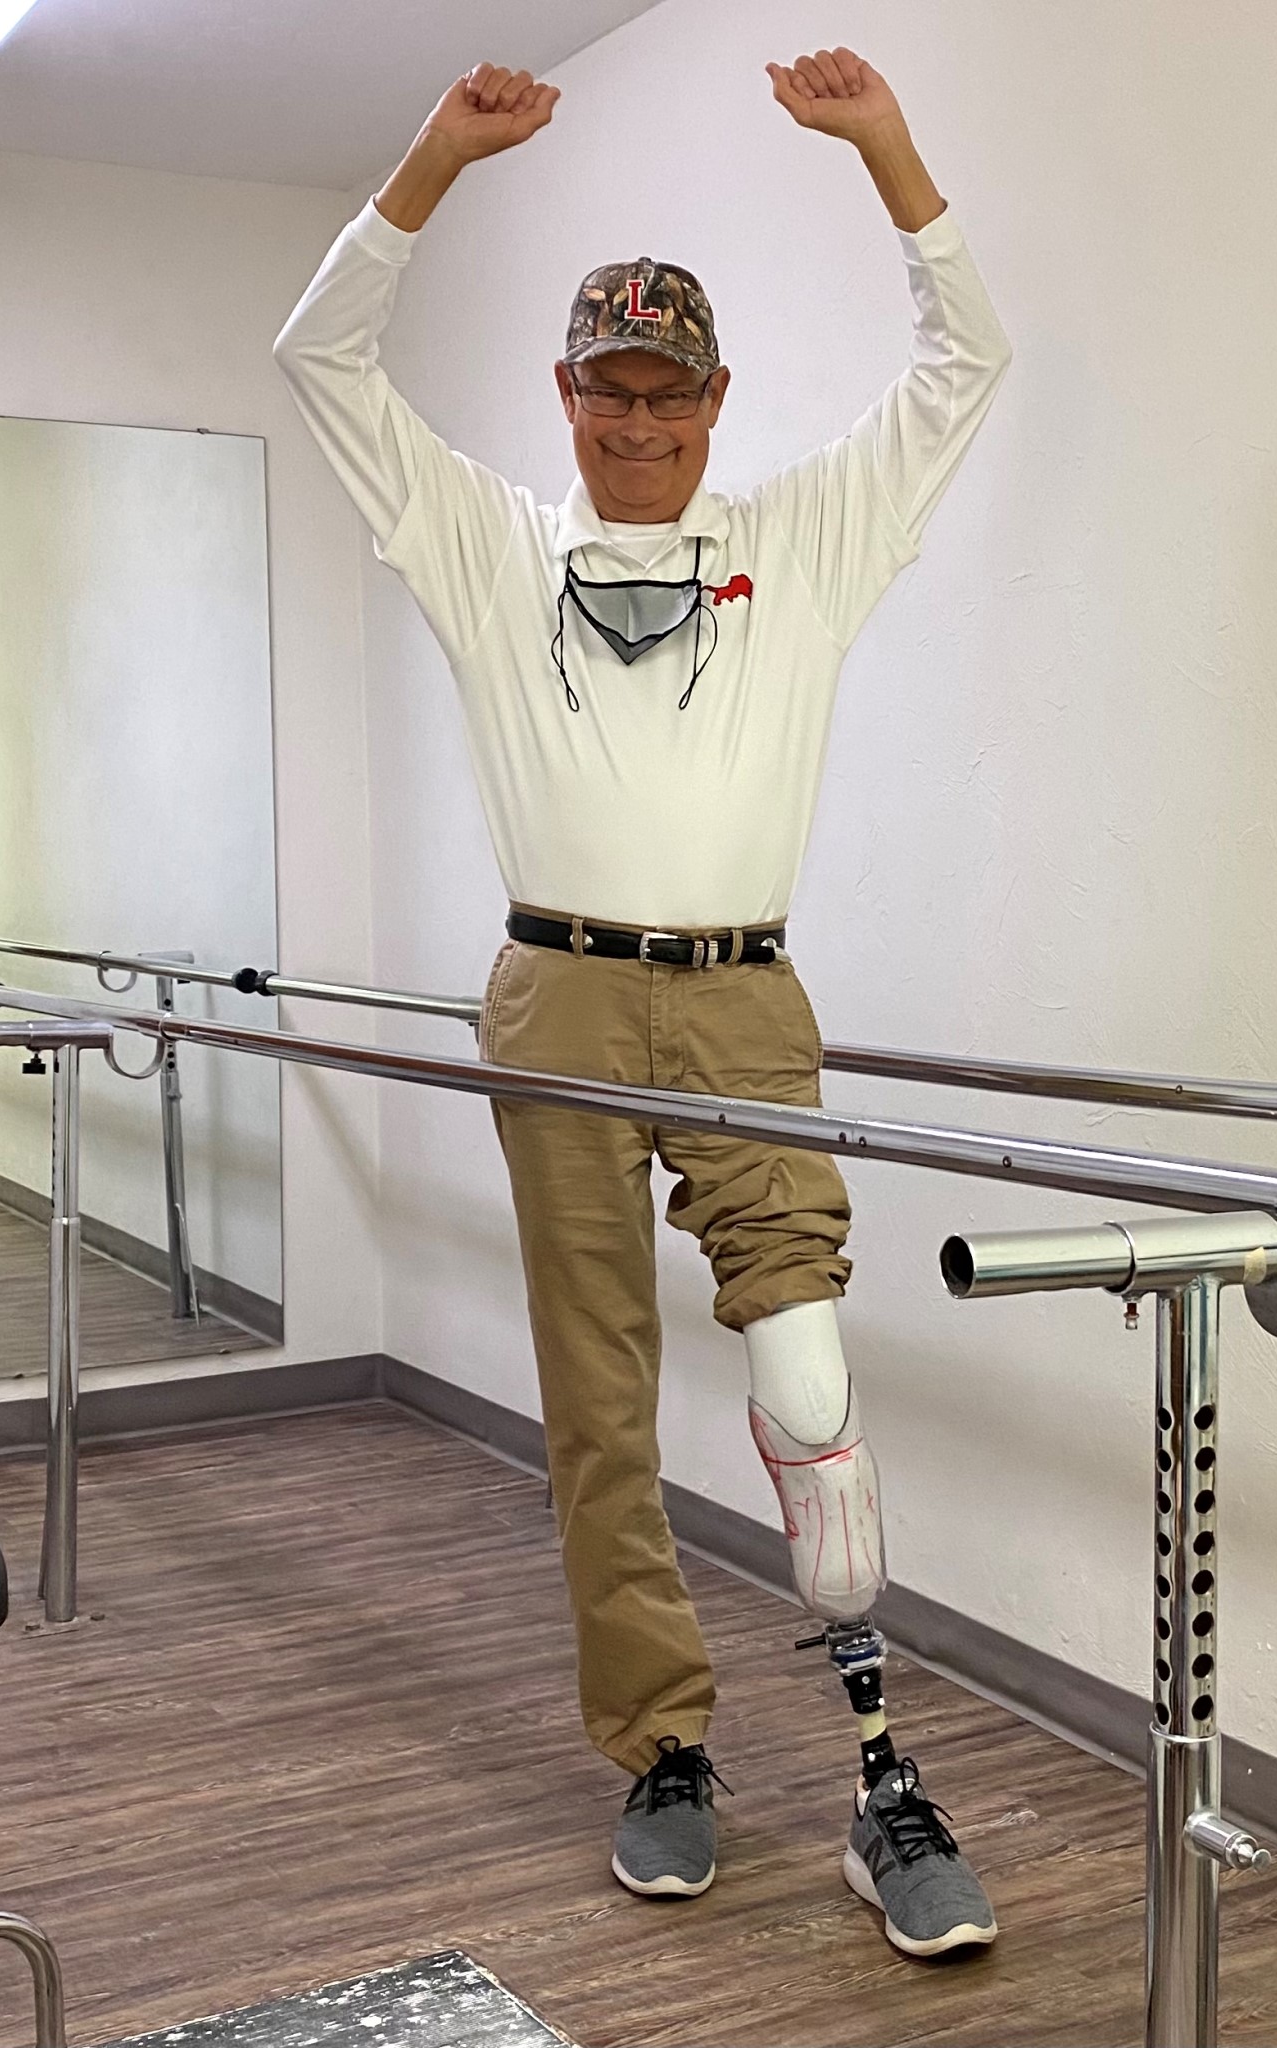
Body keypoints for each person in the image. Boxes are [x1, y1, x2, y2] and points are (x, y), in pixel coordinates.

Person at [275, 45, 1011, 1958]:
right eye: (608, 386)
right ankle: (665, 1748)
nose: (638, 420)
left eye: (670, 390)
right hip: (560, 999)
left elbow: (967, 365)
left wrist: (886, 147)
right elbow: (319, 358)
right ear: (567, 396)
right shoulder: (491, 547)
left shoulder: (799, 543)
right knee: (598, 1398)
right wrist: (432, 157)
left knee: (808, 1384)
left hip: (747, 997)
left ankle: (881, 1779)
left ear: (714, 402)